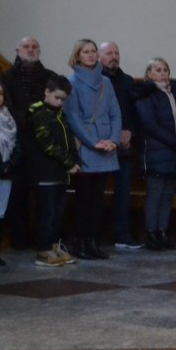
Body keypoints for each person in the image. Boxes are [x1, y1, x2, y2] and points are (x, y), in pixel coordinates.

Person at [64, 39, 121, 260]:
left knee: (98, 199)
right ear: (77, 56)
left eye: (93, 51)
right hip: (87, 146)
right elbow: (73, 118)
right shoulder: (72, 82)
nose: (90, 55)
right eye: (85, 52)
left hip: (107, 145)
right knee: (84, 199)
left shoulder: (106, 81)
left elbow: (115, 113)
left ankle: (92, 241)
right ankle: (80, 242)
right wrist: (94, 142)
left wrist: (113, 139)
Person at [1, 37, 55, 249]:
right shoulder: (5, 77)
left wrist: (38, 121)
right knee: (18, 194)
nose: (30, 50)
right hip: (18, 141)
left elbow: (52, 104)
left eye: (34, 47)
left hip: (42, 142)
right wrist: (26, 119)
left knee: (44, 196)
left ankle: (43, 239)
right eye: (26, 47)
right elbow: (6, 105)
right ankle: (19, 238)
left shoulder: (49, 77)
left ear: (39, 51)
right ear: (17, 50)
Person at [133, 58, 176, 251]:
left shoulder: (173, 94)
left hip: (173, 152)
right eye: (158, 70)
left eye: (165, 70)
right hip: (155, 149)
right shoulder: (146, 95)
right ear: (149, 74)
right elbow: (150, 124)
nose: (162, 73)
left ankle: (162, 231)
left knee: (167, 194)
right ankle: (151, 233)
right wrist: (175, 142)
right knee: (155, 194)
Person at [28, 75, 79, 267]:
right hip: (46, 174)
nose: (59, 102)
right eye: (57, 98)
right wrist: (69, 162)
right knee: (47, 214)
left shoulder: (60, 116)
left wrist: (75, 159)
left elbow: (68, 141)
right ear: (46, 92)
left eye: (63, 99)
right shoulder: (39, 114)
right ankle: (43, 251)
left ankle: (55, 247)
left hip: (60, 174)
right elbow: (47, 143)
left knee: (58, 214)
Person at [98, 41, 141, 250]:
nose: (113, 56)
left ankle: (122, 234)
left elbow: (134, 111)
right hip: (99, 145)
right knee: (95, 192)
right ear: (99, 56)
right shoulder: (94, 80)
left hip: (123, 147)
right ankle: (93, 236)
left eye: (116, 52)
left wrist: (130, 131)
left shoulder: (128, 81)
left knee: (123, 192)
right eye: (108, 53)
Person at [0, 80, 20, 267]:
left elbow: (17, 144)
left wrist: (10, 164)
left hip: (6, 172)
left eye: (0, 93)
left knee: (0, 213)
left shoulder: (9, 117)